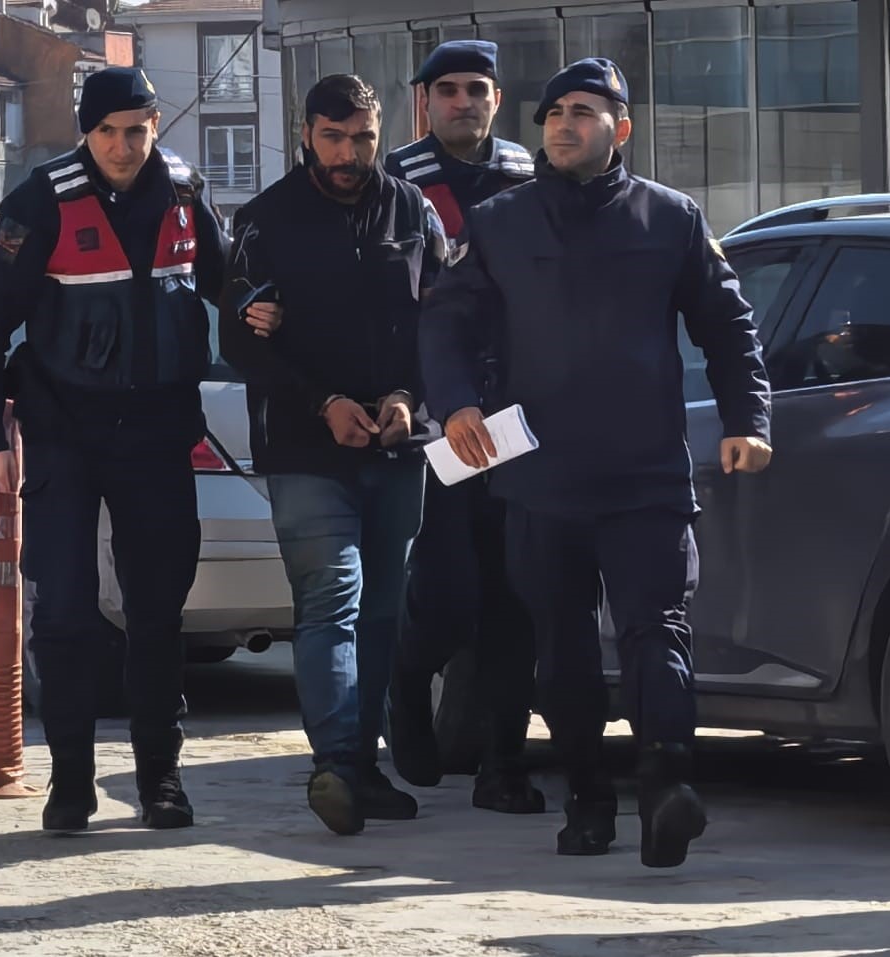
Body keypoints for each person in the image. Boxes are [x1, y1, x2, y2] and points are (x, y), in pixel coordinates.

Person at [419, 58, 772, 868]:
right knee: (563, 647)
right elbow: (447, 320)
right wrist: (457, 403)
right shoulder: (501, 221)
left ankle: (668, 782)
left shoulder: (670, 218)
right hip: (542, 481)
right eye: (554, 113)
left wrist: (747, 419)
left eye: (583, 111)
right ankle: (587, 799)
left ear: (621, 129)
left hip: (646, 476)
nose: (564, 125)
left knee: (659, 632)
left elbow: (729, 326)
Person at [0, 67, 228, 833]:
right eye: (107, 131)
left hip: (157, 432)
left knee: (157, 612)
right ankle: (70, 780)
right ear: (87, 132)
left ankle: (160, 779)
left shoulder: (184, 191)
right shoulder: (40, 201)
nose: (122, 146)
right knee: (66, 611)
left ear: (154, 126)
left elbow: (229, 284)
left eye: (136, 130)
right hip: (64, 432)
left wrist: (266, 314)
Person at [219, 74, 445, 836]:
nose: (349, 154)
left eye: (363, 139)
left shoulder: (411, 209)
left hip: (397, 445)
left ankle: (364, 765)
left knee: (383, 609)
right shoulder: (265, 219)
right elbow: (238, 340)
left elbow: (445, 320)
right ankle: (336, 763)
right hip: (305, 447)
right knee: (331, 597)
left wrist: (410, 398)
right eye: (334, 138)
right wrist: (323, 403)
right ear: (306, 134)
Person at [382, 39, 543, 814]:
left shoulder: (528, 177)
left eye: (477, 89)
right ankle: (407, 677)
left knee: (516, 595)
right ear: (425, 102)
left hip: (515, 413)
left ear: (496, 100)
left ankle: (502, 763)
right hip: (430, 413)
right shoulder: (394, 181)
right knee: (447, 591)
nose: (463, 102)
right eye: (447, 90)